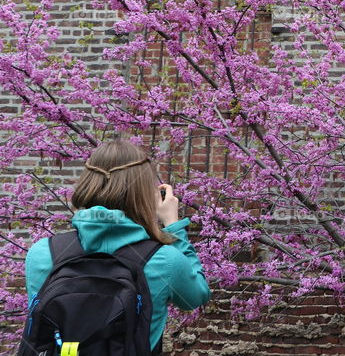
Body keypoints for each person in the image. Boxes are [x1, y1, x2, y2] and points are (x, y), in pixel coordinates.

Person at [24, 141, 211, 353]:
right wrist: (173, 226)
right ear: (143, 194)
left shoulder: (43, 252)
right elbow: (196, 297)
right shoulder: (165, 259)